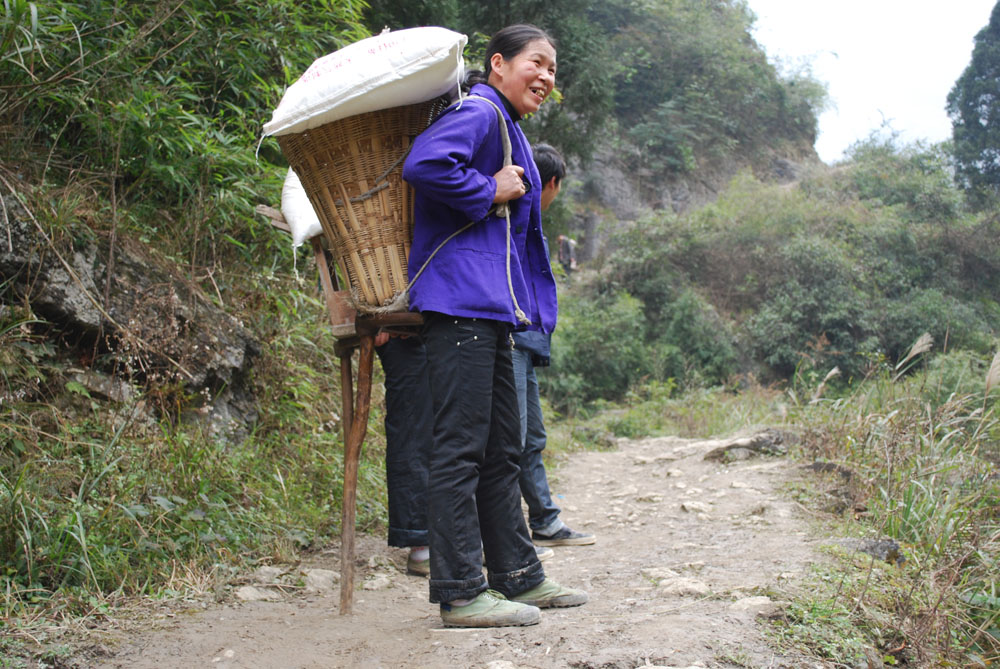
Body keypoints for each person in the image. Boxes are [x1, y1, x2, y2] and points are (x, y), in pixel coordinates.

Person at [402, 24, 587, 628]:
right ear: (498, 63)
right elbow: (424, 164)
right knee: (459, 449)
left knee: (503, 448)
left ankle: (519, 577)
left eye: (554, 70)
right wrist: (490, 187)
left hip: (490, 308)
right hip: (457, 303)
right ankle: (459, 592)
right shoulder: (481, 110)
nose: (547, 77)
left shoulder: (507, 126)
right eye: (537, 62)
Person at [513, 144, 595, 548]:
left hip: (524, 342)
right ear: (552, 183)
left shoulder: (529, 220)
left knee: (530, 438)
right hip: (510, 338)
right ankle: (504, 540)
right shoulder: (515, 216)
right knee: (511, 439)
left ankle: (545, 520)